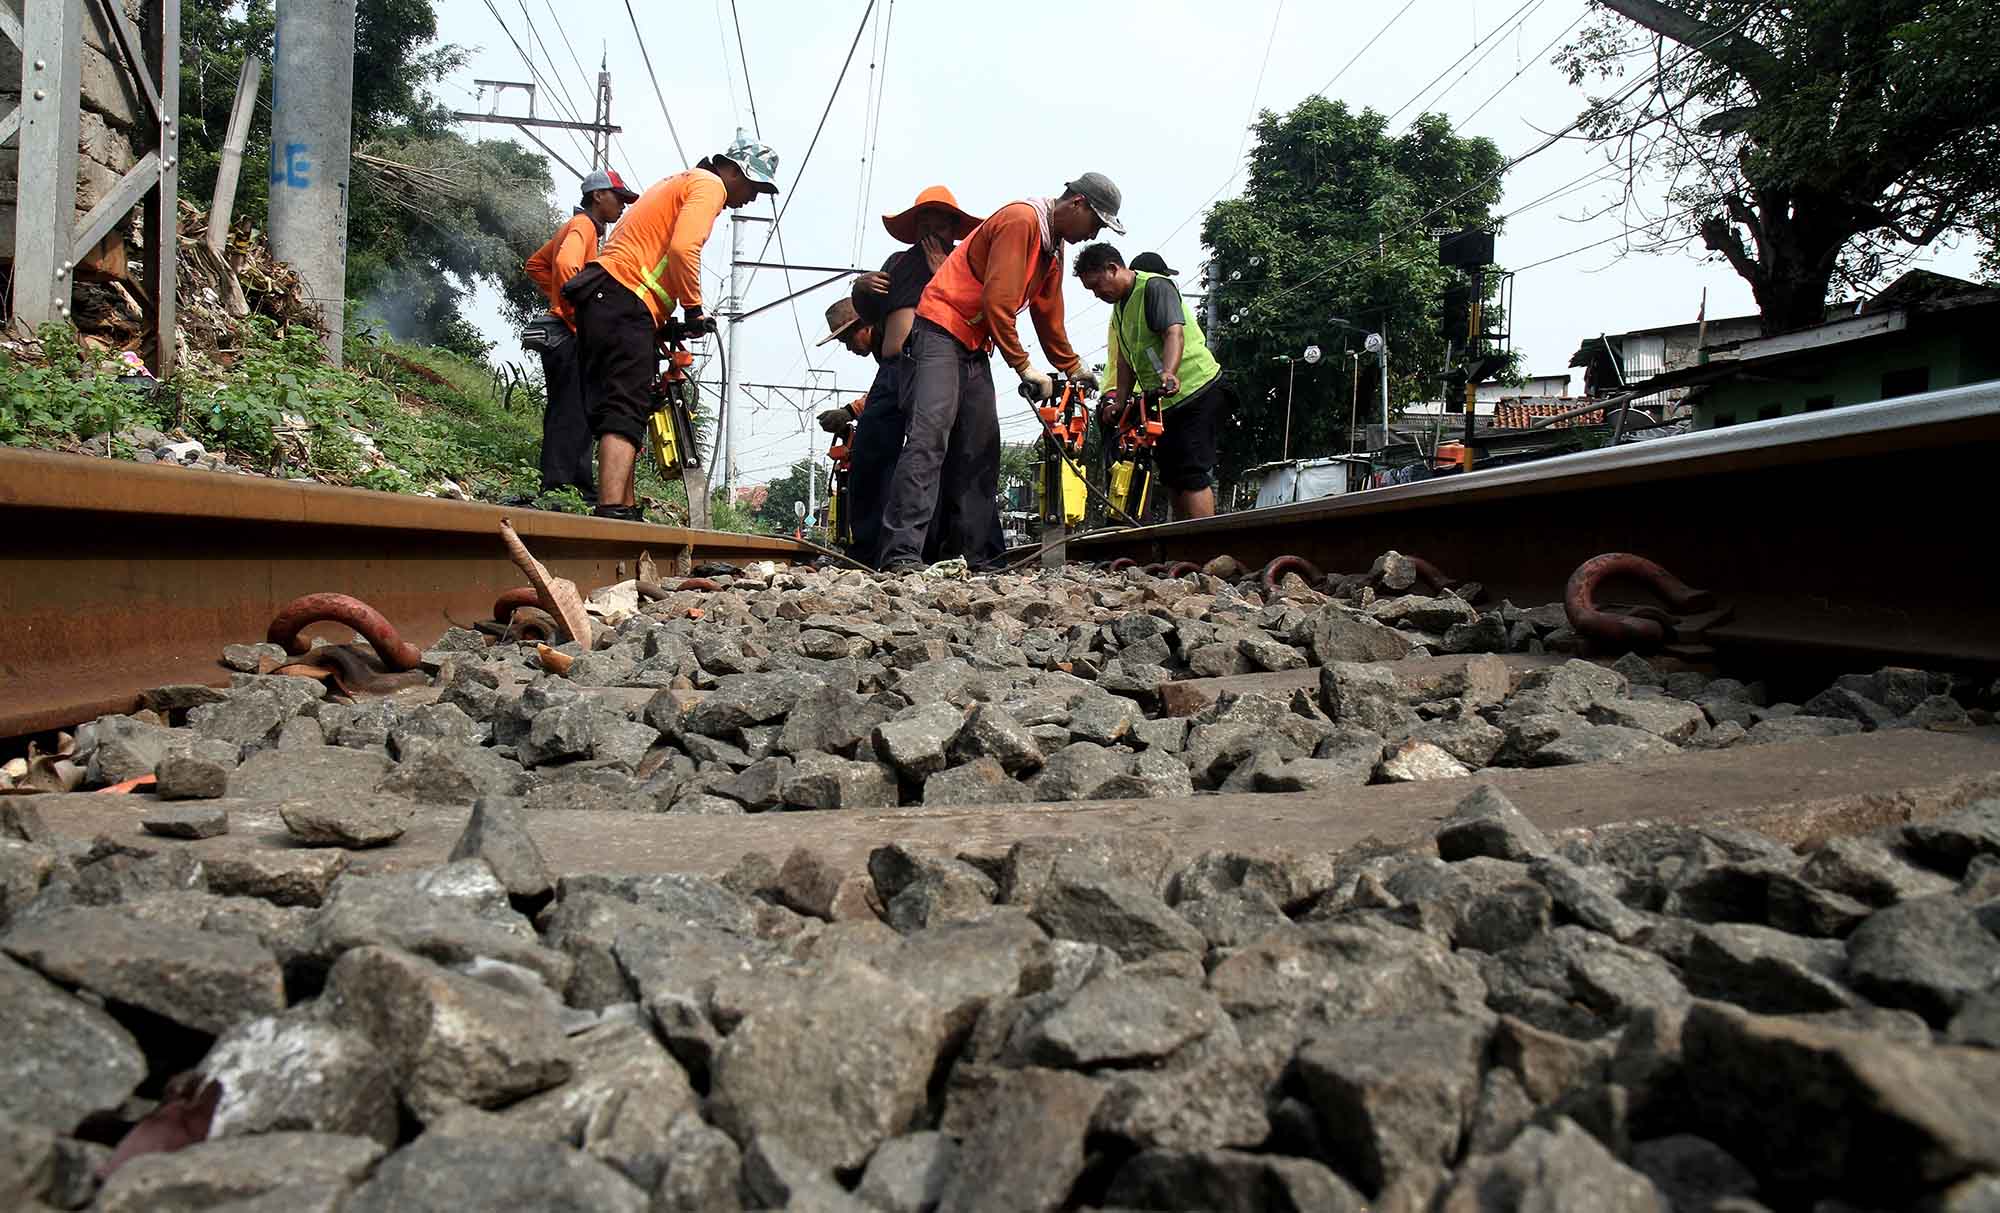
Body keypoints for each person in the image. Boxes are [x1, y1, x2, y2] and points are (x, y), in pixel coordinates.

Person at [875, 174, 1126, 572]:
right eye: (1095, 222)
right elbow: (997, 301)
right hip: (941, 330)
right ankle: (901, 553)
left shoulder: (1051, 246)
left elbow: (1047, 311)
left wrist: (1071, 365)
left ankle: (979, 557)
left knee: (980, 447)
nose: (1093, 233)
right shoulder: (1020, 221)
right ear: (1076, 203)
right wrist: (1024, 365)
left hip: (973, 344)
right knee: (929, 437)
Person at [562, 131, 780, 520]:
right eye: (755, 186)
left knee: (616, 406)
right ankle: (612, 510)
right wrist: (694, 310)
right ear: (735, 171)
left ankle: (623, 507)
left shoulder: (678, 181)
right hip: (626, 297)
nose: (753, 197)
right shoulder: (709, 185)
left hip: (604, 296)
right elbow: (683, 248)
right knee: (625, 406)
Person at [817, 185, 983, 567]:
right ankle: (869, 548)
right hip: (901, 371)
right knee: (873, 454)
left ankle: (936, 546)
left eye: (938, 219)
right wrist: (862, 290)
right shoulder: (898, 265)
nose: (850, 347)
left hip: (939, 365)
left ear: (953, 225)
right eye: (923, 218)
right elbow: (884, 378)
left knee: (933, 455)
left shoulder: (964, 263)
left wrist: (946, 273)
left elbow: (983, 307)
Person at [1075, 242, 1228, 520]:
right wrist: (1119, 403)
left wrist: (1168, 371)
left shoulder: (1155, 286)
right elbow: (1125, 359)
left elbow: (1173, 333)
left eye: (1097, 286)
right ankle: (1183, 547)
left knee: (1191, 472)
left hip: (1197, 391)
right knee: (1171, 476)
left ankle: (1205, 545)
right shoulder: (1120, 307)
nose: (1097, 294)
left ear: (1113, 268)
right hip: (1166, 401)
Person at [523, 169, 640, 504]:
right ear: (598, 195)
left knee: (568, 407)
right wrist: (578, 311)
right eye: (618, 198)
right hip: (570, 333)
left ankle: (570, 484)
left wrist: (559, 297)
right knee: (574, 410)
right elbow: (565, 264)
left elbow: (536, 265)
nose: (622, 206)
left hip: (560, 330)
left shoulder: (575, 227)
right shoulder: (583, 226)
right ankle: (561, 487)